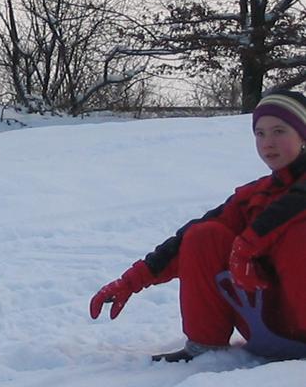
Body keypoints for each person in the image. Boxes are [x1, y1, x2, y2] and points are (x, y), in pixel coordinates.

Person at [89, 89, 306, 362]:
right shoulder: (255, 195)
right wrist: (129, 282)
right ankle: (205, 348)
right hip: (272, 327)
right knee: (204, 235)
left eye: (279, 131)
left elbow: (293, 205)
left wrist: (247, 246)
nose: (268, 142)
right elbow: (188, 239)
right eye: (260, 134)